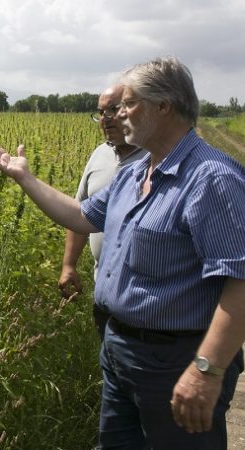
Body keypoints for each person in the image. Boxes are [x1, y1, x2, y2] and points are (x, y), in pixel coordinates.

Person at [0, 56, 245, 449]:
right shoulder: (136, 173)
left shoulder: (213, 180)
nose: (117, 114)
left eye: (127, 104)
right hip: (120, 352)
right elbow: (82, 216)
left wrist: (206, 370)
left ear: (163, 106)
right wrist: (24, 178)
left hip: (175, 357)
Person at [59, 85, 147, 338]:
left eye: (113, 109)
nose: (106, 118)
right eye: (100, 112)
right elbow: (81, 211)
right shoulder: (100, 154)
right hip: (105, 291)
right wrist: (69, 265)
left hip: (146, 301)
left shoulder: (156, 157)